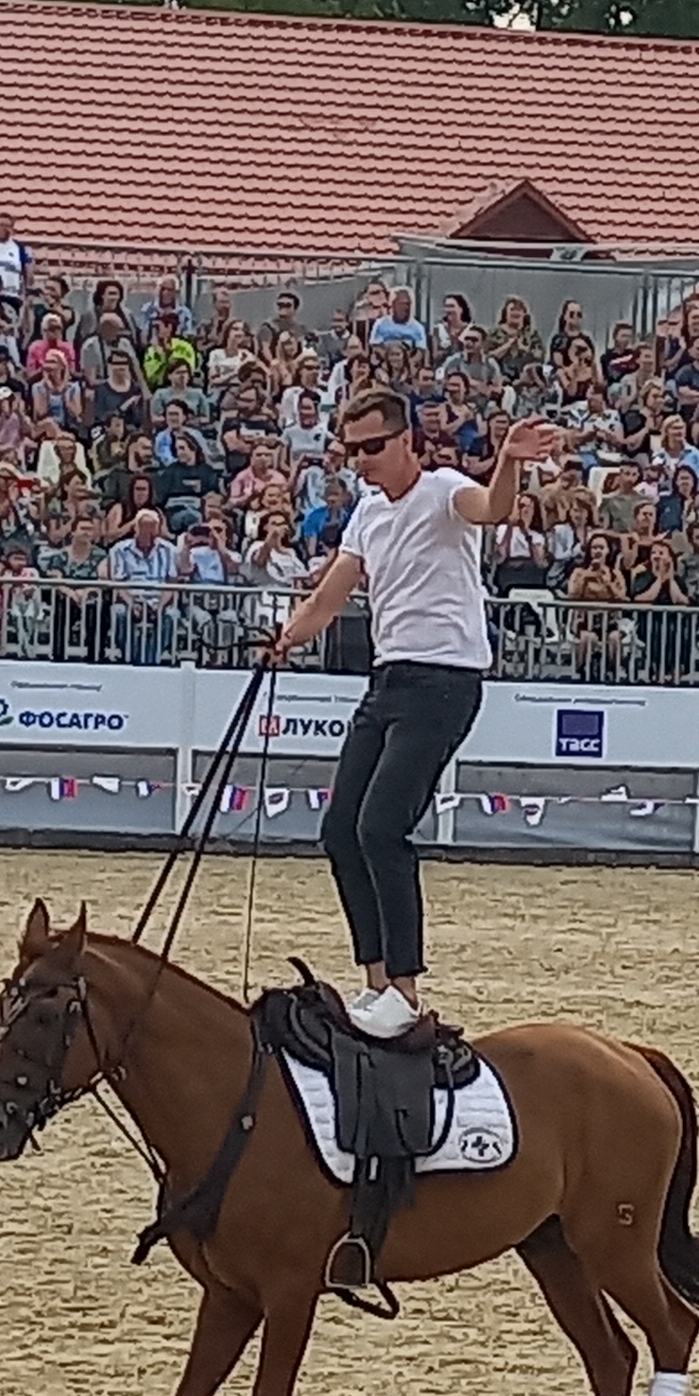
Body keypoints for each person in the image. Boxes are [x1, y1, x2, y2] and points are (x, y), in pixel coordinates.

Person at [269, 388, 570, 1038]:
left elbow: (490, 509)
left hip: (445, 680)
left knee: (382, 827)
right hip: (389, 678)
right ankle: (375, 982)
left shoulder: (444, 490)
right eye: (352, 451)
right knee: (339, 830)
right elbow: (328, 597)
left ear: (407, 440)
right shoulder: (367, 515)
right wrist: (286, 637)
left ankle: (404, 989)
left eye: (372, 447)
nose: (362, 461)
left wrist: (509, 461)